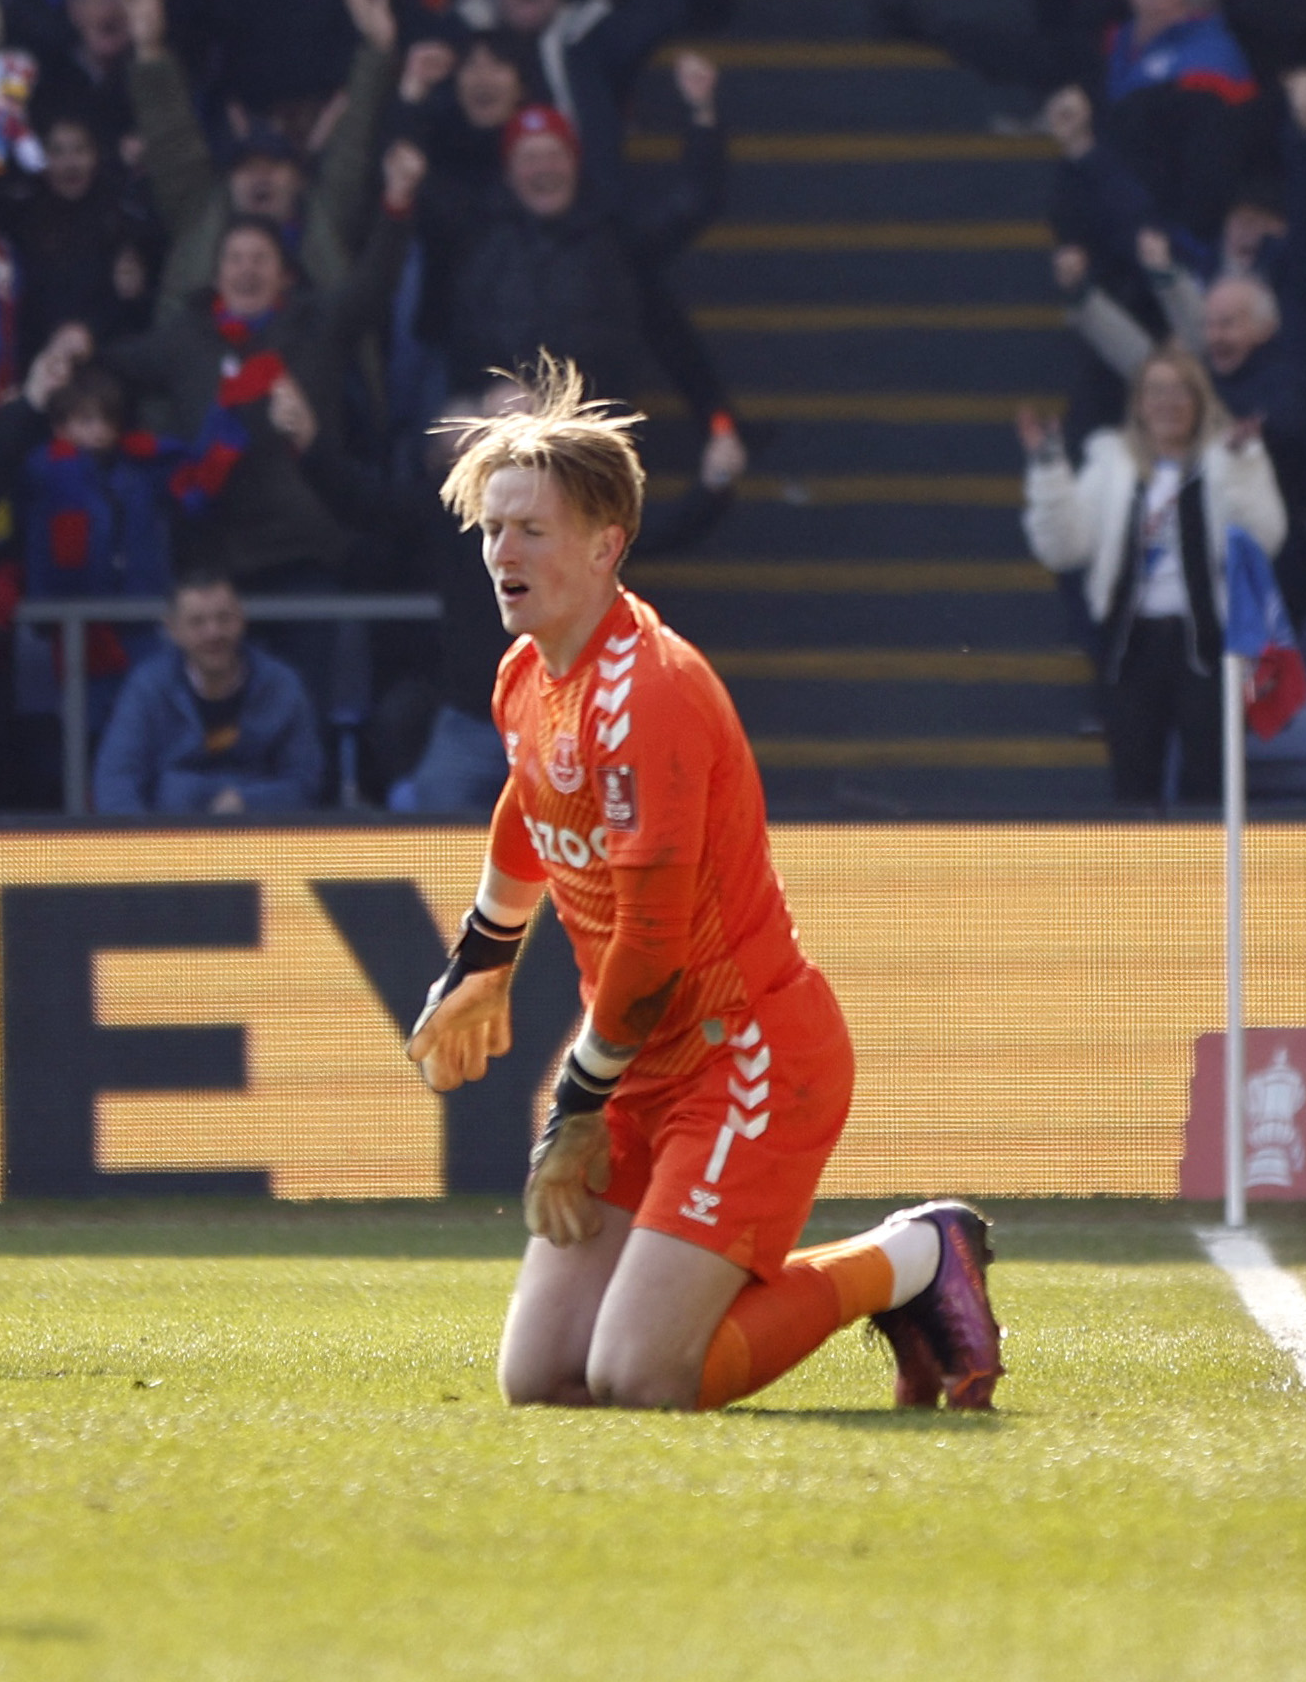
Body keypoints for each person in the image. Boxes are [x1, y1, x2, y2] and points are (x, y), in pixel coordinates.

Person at [402, 359, 1004, 1412]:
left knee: (641, 1376)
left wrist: (572, 1107)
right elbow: (528, 802)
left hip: (747, 1060)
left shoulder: (653, 695)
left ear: (605, 544)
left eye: (529, 530)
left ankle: (912, 1256)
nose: (501, 553)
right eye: (492, 530)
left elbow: (654, 941)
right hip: (643, 1059)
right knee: (540, 1380)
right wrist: (483, 958)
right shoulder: (528, 673)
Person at [1017, 345, 1286, 804]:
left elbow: (1266, 540)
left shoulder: (1226, 462)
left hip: (1205, 645)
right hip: (1131, 646)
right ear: (1139, 403)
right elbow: (1063, 549)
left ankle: (1207, 876)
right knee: (1133, 781)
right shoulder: (1110, 466)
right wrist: (1049, 469)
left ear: (1199, 401)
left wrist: (1244, 468)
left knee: (1209, 783)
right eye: (1156, 391)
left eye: (1181, 391)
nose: (1168, 403)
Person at [94, 570, 324, 813]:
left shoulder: (281, 685)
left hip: (261, 839)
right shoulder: (148, 687)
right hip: (170, 839)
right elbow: (115, 784)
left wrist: (246, 802)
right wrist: (144, 846)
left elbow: (306, 784)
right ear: (172, 629)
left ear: (241, 619)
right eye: (197, 622)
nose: (213, 633)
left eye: (224, 619)